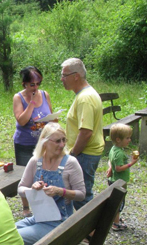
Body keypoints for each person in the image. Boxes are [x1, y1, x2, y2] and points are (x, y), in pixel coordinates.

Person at [15, 123, 85, 245]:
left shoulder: (70, 163)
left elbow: (81, 194)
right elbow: (20, 189)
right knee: (5, 234)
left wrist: (60, 191)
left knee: (12, 239)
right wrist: (32, 190)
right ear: (45, 142)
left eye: (64, 140)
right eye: (58, 141)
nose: (62, 145)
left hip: (60, 223)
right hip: (39, 217)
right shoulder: (36, 161)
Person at [61, 58, 104, 210]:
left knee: (81, 198)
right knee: (82, 195)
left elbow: (85, 132)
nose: (62, 79)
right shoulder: (85, 94)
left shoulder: (85, 98)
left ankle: (90, 232)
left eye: (64, 75)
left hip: (84, 154)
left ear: (76, 76)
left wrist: (73, 154)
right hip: (87, 153)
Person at [13, 66, 55, 217]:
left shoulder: (45, 94)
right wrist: (31, 103)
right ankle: (25, 207)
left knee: (43, 173)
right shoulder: (18, 97)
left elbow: (50, 114)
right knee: (26, 175)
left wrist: (53, 119)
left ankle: (42, 203)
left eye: (38, 83)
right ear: (24, 83)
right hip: (24, 143)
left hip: (43, 143)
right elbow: (22, 121)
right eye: (32, 84)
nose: (36, 87)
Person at [106, 123, 138, 231]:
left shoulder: (114, 149)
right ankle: (115, 223)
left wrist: (110, 168)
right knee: (119, 203)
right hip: (118, 182)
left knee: (115, 201)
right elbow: (119, 168)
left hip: (113, 180)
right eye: (127, 138)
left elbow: (110, 161)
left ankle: (114, 219)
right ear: (119, 139)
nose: (129, 140)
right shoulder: (119, 153)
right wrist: (132, 163)